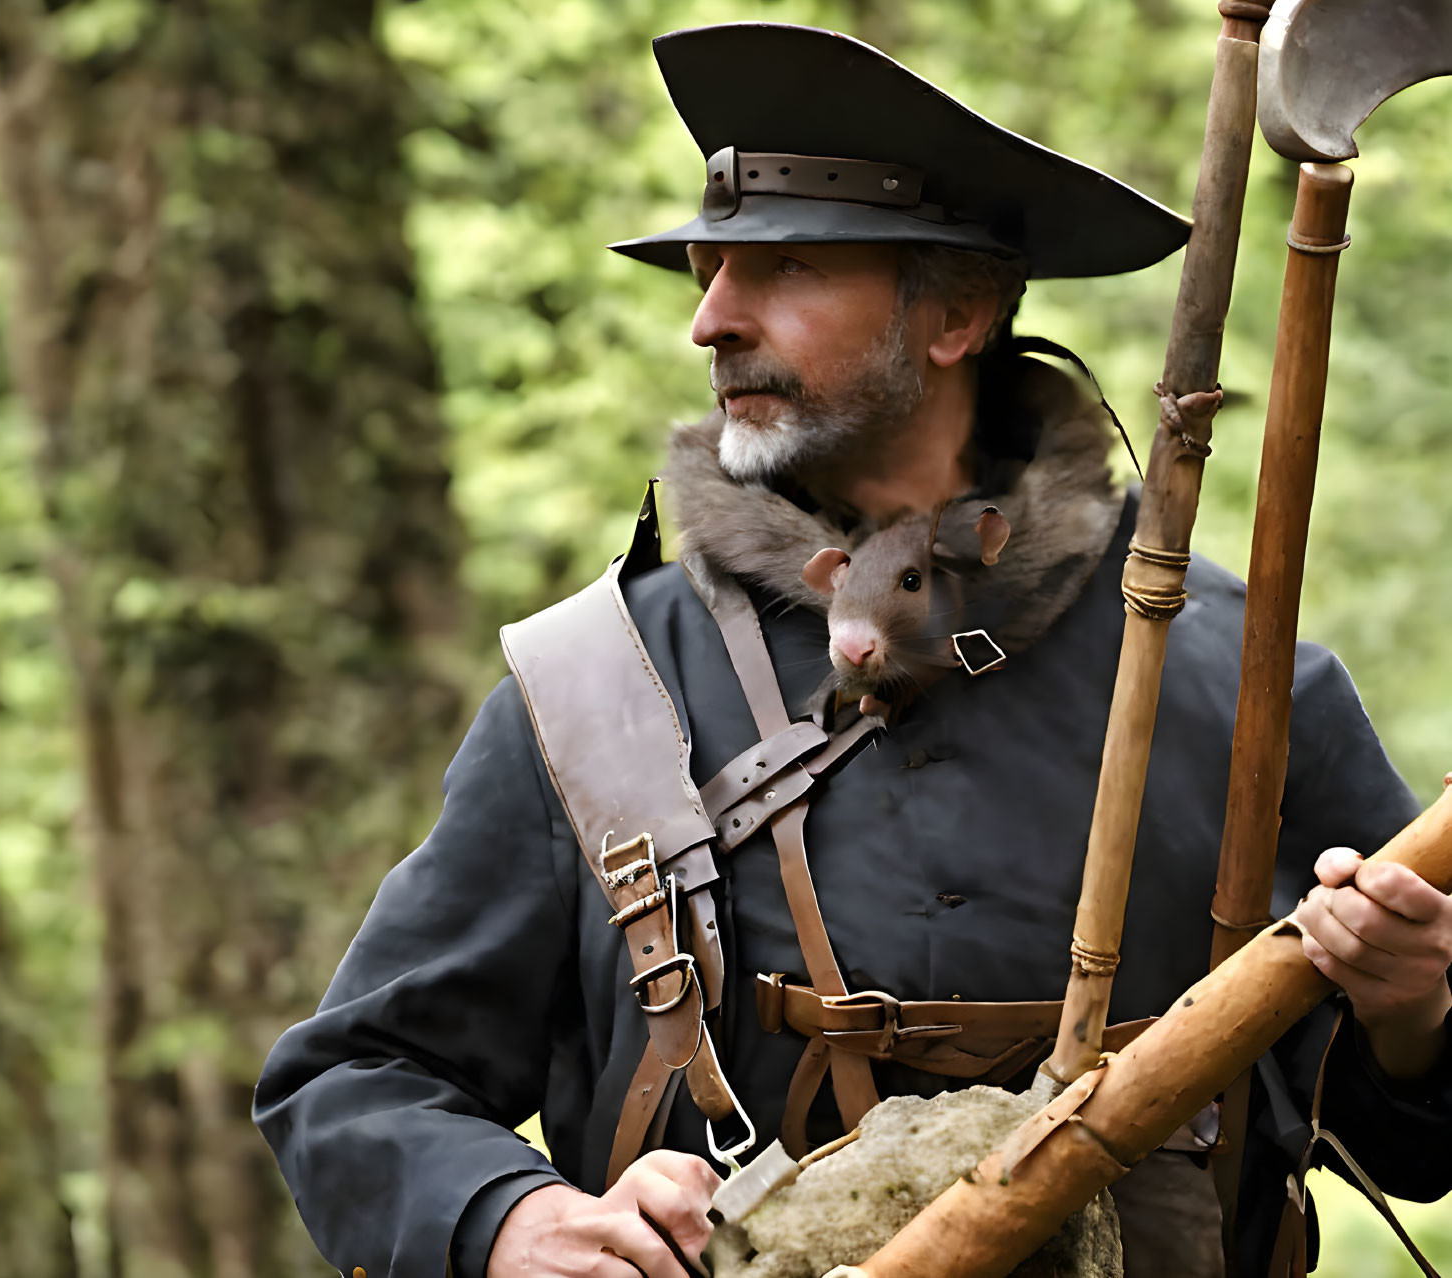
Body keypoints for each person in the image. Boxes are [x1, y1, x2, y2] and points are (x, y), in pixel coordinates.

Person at [254, 23, 1452, 1278]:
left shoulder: (1241, 683)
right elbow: (355, 1081)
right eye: (706, 273)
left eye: (782, 270)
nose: (710, 321)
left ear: (956, 315)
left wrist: (1411, 1003)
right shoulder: (597, 686)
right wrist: (511, 1219)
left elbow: (1413, 1135)